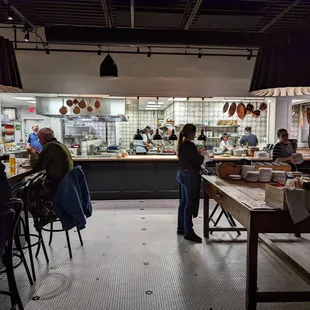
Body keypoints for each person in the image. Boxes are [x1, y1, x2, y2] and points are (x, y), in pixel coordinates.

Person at [176, 124, 205, 243]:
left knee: (183, 202)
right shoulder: (190, 145)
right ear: (191, 133)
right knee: (189, 203)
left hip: (181, 174)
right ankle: (189, 232)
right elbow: (198, 161)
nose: (195, 135)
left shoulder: (182, 145)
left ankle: (181, 227)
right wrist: (202, 155)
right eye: (194, 132)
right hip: (189, 176)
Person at [29, 128, 73, 197]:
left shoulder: (50, 146)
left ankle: (23, 207)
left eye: (39, 139)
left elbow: (36, 166)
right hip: (65, 182)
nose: (39, 141)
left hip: (56, 184)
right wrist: (38, 154)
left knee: (29, 188)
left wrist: (32, 153)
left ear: (43, 138)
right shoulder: (61, 145)